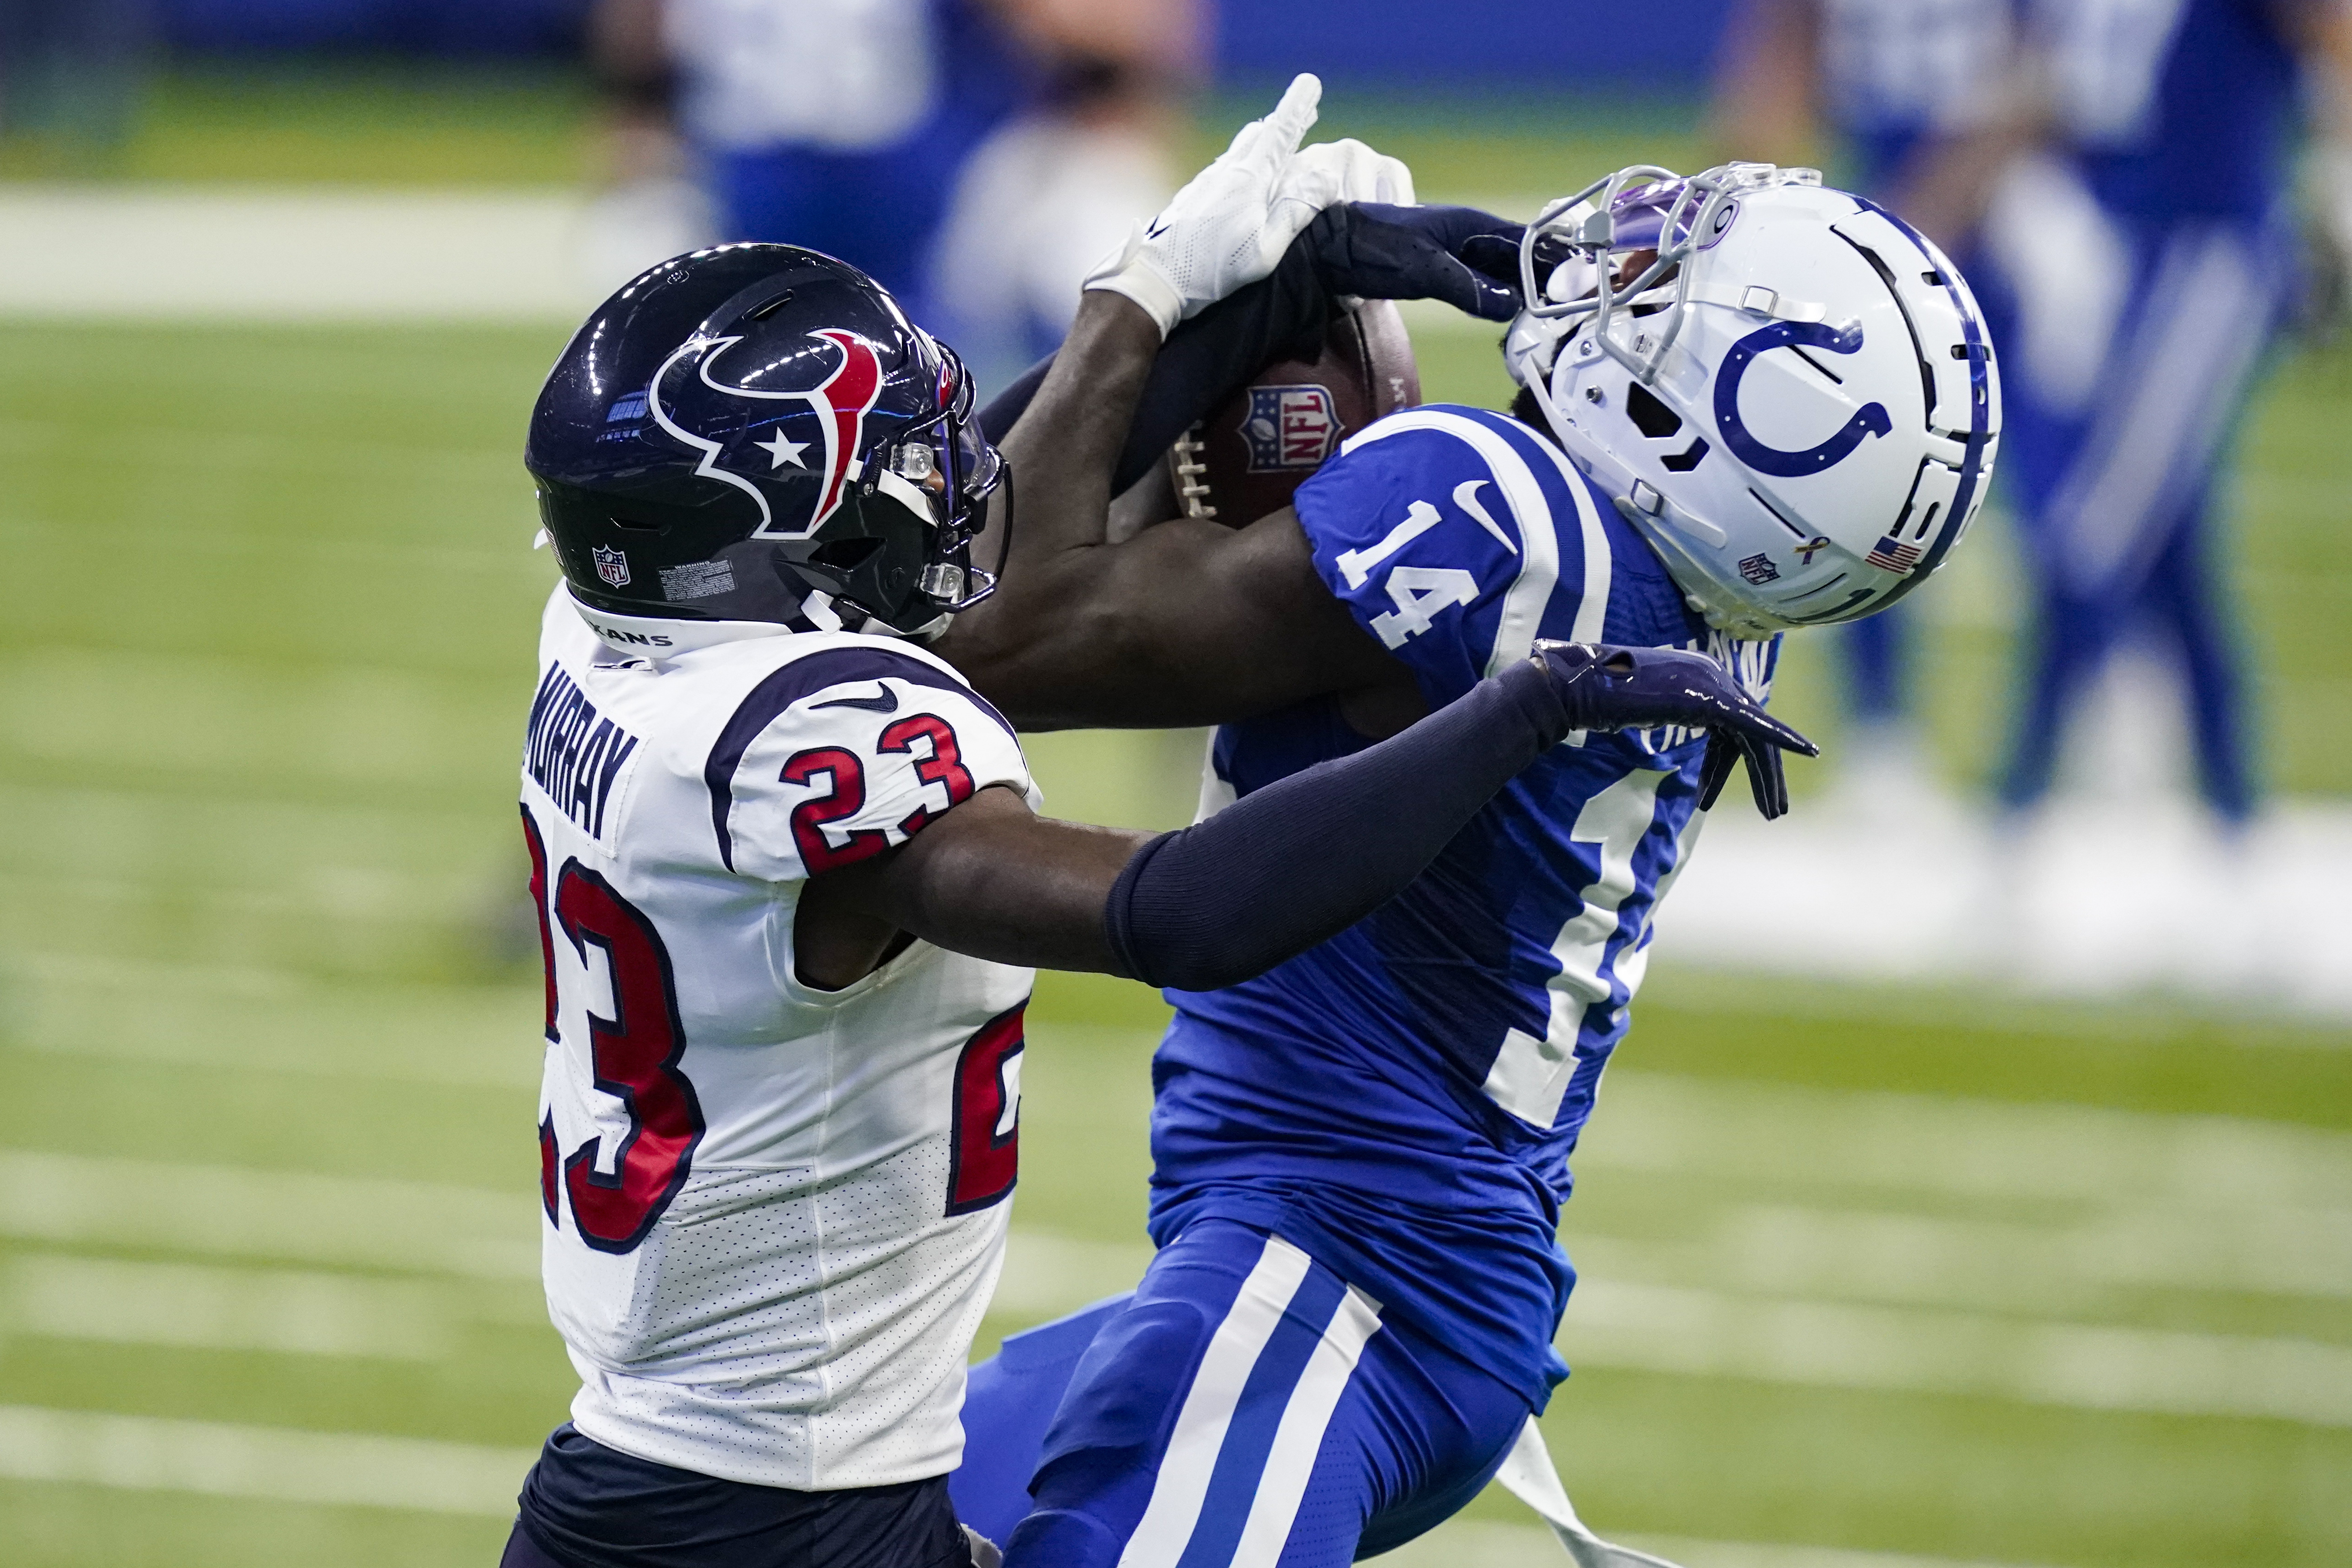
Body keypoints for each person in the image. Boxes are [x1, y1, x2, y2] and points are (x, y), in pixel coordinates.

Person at [499, 99, 1811, 1568]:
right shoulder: (815, 744)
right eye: (888, 460)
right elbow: (1183, 910)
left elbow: (956, 517)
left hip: (669, 1475)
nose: (942, 468)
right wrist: (1531, 707)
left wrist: (1227, 290)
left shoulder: (623, 635)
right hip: (776, 1516)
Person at [929, 80, 1999, 1568]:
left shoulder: (1493, 510)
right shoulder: (1689, 582)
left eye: (1673, 289)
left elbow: (980, 641)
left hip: (1339, 1280)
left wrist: (1151, 299)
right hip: (1386, 1274)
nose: (1628, 266)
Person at [1716, 0, 2352, 823]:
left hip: (2103, 230)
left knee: (2095, 524)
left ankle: (2057, 797)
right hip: (2085, 220)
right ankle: (1923, 747)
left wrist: (2336, 181)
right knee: (2103, 521)